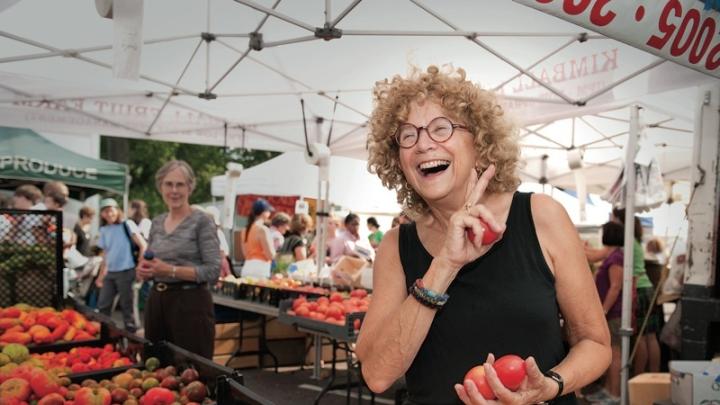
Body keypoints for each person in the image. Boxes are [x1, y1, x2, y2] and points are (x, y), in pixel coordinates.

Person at [355, 66, 610, 404]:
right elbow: (377, 375)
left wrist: (550, 385)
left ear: (479, 141)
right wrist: (444, 265)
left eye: (441, 128)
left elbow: (595, 343)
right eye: (407, 135)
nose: (423, 144)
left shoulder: (542, 216)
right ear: (398, 159)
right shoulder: (395, 247)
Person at [137, 160, 221, 358]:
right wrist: (146, 271)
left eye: (180, 184)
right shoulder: (157, 222)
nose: (174, 190)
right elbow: (153, 262)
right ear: (160, 187)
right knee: (155, 368)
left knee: (191, 372)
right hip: (157, 302)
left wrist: (170, 271)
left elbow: (213, 270)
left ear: (190, 187)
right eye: (168, 184)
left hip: (190, 305)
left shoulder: (202, 221)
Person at [590, 221, 635, 404]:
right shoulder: (613, 255)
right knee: (609, 354)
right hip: (610, 313)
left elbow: (615, 287)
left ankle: (615, 394)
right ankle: (607, 390)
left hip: (614, 313)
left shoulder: (616, 258)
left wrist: (604, 309)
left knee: (615, 354)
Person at [95, 197, 146, 333]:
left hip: (127, 271)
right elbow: (105, 255)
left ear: (117, 211)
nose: (108, 213)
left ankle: (133, 339)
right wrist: (101, 276)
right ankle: (104, 334)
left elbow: (143, 245)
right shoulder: (104, 230)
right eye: (105, 211)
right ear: (101, 214)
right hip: (110, 273)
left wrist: (140, 267)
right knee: (103, 305)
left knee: (127, 307)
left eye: (111, 210)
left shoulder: (127, 224)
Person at [240, 198, 275, 264]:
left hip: (247, 265)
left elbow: (245, 253)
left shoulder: (245, 230)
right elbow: (270, 255)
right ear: (264, 213)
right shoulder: (263, 229)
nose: (270, 214)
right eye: (269, 211)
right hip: (261, 266)